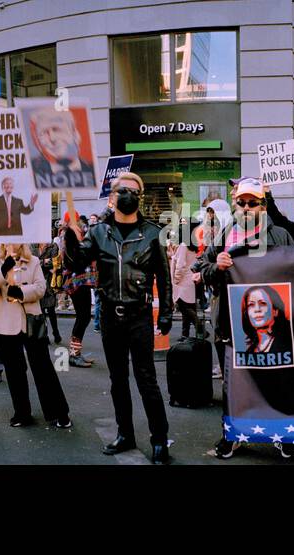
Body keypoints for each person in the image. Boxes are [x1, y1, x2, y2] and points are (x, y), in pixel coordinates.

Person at [63, 172, 174, 464]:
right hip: (110, 316)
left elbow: (163, 277)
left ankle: (160, 440)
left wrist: (166, 314)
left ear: (141, 196)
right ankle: (125, 434)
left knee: (146, 380)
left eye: (134, 191)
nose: (128, 195)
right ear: (112, 197)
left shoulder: (152, 232)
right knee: (118, 381)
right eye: (122, 190)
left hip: (139, 316)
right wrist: (71, 238)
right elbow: (77, 261)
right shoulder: (99, 232)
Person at [199, 177, 294, 460]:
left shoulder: (280, 235)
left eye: (252, 203)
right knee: (233, 385)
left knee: (277, 380)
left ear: (262, 207)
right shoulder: (224, 235)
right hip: (231, 324)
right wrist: (216, 266)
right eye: (241, 202)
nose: (245, 207)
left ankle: (283, 435)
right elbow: (203, 266)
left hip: (273, 326)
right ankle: (232, 436)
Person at [0, 243, 72, 428]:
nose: (11, 243)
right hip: (4, 325)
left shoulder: (34, 261)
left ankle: (58, 412)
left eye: (16, 238)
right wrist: (3, 269)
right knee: (14, 372)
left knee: (43, 368)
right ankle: (22, 413)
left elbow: (41, 288)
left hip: (30, 322)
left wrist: (21, 292)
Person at [60, 216, 98, 368]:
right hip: (77, 282)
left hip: (82, 282)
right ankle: (74, 354)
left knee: (84, 317)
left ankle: (76, 352)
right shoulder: (69, 237)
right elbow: (73, 261)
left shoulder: (79, 236)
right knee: (83, 317)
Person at [239, 285, 293, 355]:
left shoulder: (289, 341)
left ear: (275, 311)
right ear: (246, 313)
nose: (257, 309)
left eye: (263, 303)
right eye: (251, 305)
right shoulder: (249, 352)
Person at [170, 240, 199, 338]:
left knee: (183, 307)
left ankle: (200, 328)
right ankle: (185, 334)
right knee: (189, 307)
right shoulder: (193, 246)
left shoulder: (183, 246)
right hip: (190, 280)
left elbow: (180, 265)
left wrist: (176, 279)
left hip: (182, 281)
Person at [35, 242, 63, 344]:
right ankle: (45, 335)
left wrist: (39, 262)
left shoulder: (53, 246)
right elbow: (30, 262)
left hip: (50, 282)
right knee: (41, 311)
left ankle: (56, 333)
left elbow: (55, 263)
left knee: (51, 310)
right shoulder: (33, 246)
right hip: (38, 283)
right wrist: (43, 262)